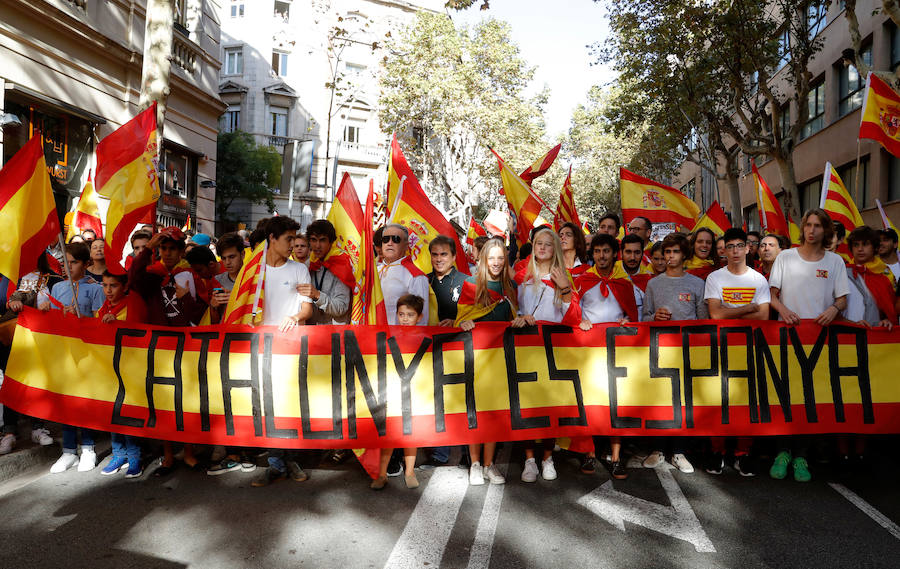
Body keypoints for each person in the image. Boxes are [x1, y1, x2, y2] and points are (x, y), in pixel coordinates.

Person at [768, 208, 849, 483]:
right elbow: (772, 295)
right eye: (808, 225)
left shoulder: (835, 261)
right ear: (802, 228)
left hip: (820, 341)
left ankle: (801, 455)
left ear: (826, 230)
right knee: (785, 394)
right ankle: (782, 452)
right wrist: (784, 310)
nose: (812, 230)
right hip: (787, 338)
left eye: (817, 225)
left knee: (809, 397)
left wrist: (834, 310)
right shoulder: (785, 257)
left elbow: (842, 299)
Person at [128, 226, 208, 475]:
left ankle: (189, 452)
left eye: (173, 248)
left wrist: (186, 299)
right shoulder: (152, 273)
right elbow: (133, 279)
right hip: (160, 346)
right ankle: (168, 455)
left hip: (186, 347)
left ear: (182, 251)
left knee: (186, 399)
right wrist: (147, 250)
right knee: (163, 401)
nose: (168, 253)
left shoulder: (190, 275)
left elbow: (201, 311)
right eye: (163, 248)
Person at [251, 216, 315, 487]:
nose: (292, 244)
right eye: (288, 239)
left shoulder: (299, 269)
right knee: (268, 405)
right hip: (260, 349)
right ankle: (277, 462)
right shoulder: (253, 270)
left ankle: (289, 459)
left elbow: (307, 309)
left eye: (294, 239)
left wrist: (295, 317)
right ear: (272, 239)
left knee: (290, 404)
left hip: (290, 348)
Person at [703, 228, 771, 477]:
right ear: (724, 250)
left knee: (747, 401)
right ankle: (717, 451)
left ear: (747, 248)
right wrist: (748, 308)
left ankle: (742, 453)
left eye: (739, 246)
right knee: (718, 399)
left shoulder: (758, 280)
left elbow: (763, 317)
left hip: (749, 347)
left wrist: (731, 311)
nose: (734, 251)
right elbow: (715, 314)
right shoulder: (715, 278)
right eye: (729, 246)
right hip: (721, 346)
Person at [515, 226, 580, 483]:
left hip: (554, 350)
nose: (542, 247)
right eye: (538, 243)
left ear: (555, 249)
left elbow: (573, 317)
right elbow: (513, 310)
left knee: (550, 405)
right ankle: (529, 459)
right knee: (528, 404)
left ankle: (547, 458)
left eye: (548, 244)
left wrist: (564, 288)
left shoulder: (563, 277)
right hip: (526, 349)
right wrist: (520, 318)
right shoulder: (521, 276)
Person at [456, 238, 522, 486]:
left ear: (505, 260)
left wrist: (520, 320)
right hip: (475, 357)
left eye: (500, 258)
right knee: (475, 411)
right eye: (491, 258)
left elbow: (514, 316)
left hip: (500, 358)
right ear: (483, 259)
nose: (495, 262)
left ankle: (488, 464)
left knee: (494, 412)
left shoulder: (510, 286)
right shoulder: (471, 284)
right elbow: (460, 319)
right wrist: (464, 323)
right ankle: (474, 464)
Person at [642, 232, 708, 474]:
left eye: (675, 252)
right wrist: (654, 317)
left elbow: (703, 321)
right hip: (659, 351)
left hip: (687, 351)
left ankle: (679, 452)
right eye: (667, 252)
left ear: (685, 255)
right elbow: (644, 317)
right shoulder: (653, 284)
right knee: (659, 400)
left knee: (684, 402)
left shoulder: (697, 284)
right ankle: (657, 449)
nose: (670, 256)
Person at [575, 233, 640, 480]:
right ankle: (589, 452)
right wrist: (580, 321)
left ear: (615, 254)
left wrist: (627, 321)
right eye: (597, 251)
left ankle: (616, 457)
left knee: (616, 402)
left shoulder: (624, 283)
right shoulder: (582, 281)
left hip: (617, 350)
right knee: (590, 402)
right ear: (592, 254)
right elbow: (574, 312)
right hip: (589, 351)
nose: (602, 256)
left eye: (606, 251)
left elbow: (632, 314)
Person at [41, 242, 105, 473]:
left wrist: (81, 318)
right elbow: (52, 322)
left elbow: (101, 323)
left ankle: (88, 448)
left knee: (83, 401)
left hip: (86, 355)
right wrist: (47, 310)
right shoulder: (57, 288)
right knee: (65, 402)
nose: (68, 267)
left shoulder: (96, 289)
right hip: (63, 354)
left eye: (74, 262)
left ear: (86, 264)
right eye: (65, 263)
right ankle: (68, 451)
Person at [0, 252, 62, 455]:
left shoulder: (52, 278)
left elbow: (63, 302)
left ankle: (38, 427)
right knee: (11, 381)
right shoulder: (9, 277)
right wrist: (10, 304)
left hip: (41, 339)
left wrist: (51, 306)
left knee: (37, 381)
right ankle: (9, 432)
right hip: (12, 339)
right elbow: (1, 301)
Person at [371, 294, 427, 490]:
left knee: (411, 432)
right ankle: (382, 474)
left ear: (419, 317)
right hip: (393, 390)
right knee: (390, 433)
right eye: (401, 314)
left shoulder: (425, 336)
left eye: (410, 315)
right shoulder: (390, 335)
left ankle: (410, 472)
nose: (405, 319)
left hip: (415, 391)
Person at [96, 271, 147, 478]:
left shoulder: (132, 304)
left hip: (130, 368)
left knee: (127, 411)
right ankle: (118, 454)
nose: (108, 290)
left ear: (124, 287)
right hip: (109, 368)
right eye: (105, 285)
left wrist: (117, 323)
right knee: (112, 411)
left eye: (113, 285)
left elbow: (138, 332)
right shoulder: (103, 308)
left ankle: (135, 456)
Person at [300, 220, 352, 326]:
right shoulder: (307, 265)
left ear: (331, 242)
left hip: (335, 332)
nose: (317, 245)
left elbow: (341, 307)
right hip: (311, 331)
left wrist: (317, 295)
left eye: (322, 240)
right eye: (313, 240)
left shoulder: (342, 265)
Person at [844, 226, 897, 328]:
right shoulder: (842, 273)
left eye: (865, 244)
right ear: (851, 248)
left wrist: (886, 320)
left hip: (875, 334)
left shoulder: (885, 276)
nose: (860, 249)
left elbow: (891, 310)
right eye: (856, 245)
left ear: (875, 247)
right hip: (846, 333)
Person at [378, 224, 430, 325]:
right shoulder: (374, 271)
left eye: (396, 239)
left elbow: (421, 319)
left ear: (406, 246)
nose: (390, 243)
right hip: (372, 332)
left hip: (397, 334)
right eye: (386, 239)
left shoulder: (415, 275)